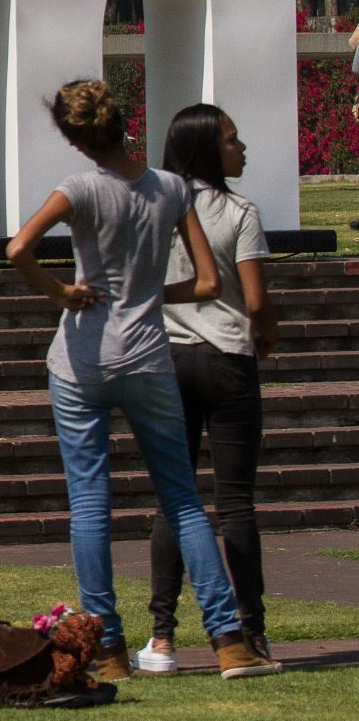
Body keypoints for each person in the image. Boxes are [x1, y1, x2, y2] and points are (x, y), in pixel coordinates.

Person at [6, 79, 277, 681]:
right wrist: (152, 295)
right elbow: (208, 283)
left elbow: (18, 246)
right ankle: (229, 640)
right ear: (124, 124)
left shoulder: (78, 188)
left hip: (80, 359)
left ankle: (104, 649)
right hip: (149, 354)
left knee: (89, 504)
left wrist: (64, 291)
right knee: (182, 497)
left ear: (76, 140)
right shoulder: (171, 189)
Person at [135, 104, 281, 674]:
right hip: (226, 359)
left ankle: (163, 637)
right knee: (236, 501)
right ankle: (251, 635)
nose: (241, 148)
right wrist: (268, 331)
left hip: (166, 359)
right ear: (204, 149)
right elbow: (254, 299)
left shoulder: (154, 206)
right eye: (230, 140)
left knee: (175, 499)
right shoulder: (238, 211)